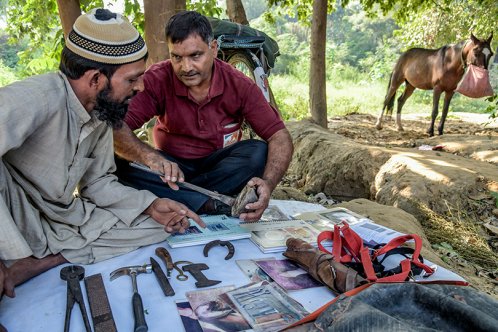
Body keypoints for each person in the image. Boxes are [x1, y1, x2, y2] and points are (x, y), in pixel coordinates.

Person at [0, 8, 203, 299]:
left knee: (163, 228)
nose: (141, 87)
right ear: (96, 78)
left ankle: (41, 261)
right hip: (12, 214)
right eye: (132, 79)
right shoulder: (38, 96)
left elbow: (97, 184)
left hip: (58, 217)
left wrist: (150, 205)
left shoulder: (100, 111)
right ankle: (15, 257)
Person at [113, 10, 293, 221]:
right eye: (177, 57)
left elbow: (280, 137)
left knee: (257, 152)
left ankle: (184, 197)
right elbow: (115, 126)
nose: (186, 67)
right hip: (170, 168)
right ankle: (209, 203)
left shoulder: (239, 84)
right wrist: (150, 157)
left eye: (195, 56)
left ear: (213, 49)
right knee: (115, 159)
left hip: (218, 169)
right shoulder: (157, 78)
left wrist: (268, 185)